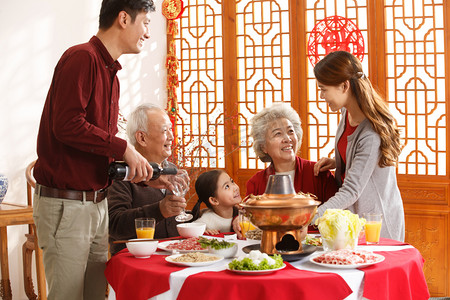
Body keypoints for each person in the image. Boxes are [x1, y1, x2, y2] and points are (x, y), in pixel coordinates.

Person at [31, 1, 180, 299]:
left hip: (96, 204)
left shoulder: (109, 72)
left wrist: (145, 176)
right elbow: (67, 125)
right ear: (124, 18)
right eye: (146, 23)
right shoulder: (81, 58)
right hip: (68, 205)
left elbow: (94, 145)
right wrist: (123, 147)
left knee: (96, 295)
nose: (148, 34)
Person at [313, 50, 405, 241]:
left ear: (344, 85)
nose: (321, 96)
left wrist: (312, 217)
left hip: (376, 221)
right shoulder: (346, 113)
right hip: (355, 217)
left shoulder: (370, 133)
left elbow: (351, 190)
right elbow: (362, 160)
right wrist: (337, 161)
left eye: (323, 89)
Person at [233, 103, 338, 238]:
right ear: (264, 147)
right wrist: (238, 221)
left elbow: (336, 216)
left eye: (290, 131)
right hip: (270, 253)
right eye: (278, 134)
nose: (287, 139)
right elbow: (247, 221)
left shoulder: (319, 173)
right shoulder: (255, 183)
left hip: (314, 251)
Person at [108, 104, 187, 255]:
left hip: (172, 256)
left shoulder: (171, 169)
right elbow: (115, 225)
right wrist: (159, 210)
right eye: (165, 130)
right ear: (142, 138)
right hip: (135, 261)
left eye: (171, 129)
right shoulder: (124, 173)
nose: (171, 136)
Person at [191, 170, 241, 234]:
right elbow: (190, 230)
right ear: (214, 200)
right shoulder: (207, 220)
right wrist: (203, 231)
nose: (235, 187)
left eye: (232, 181)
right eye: (227, 186)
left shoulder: (240, 213)